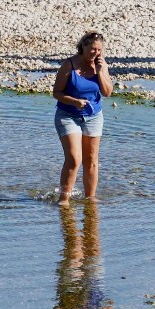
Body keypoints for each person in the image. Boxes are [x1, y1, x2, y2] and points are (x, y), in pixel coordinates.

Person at [52, 30, 111, 200]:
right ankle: (64, 200)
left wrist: (100, 72)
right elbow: (57, 93)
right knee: (74, 159)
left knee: (91, 160)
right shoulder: (69, 65)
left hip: (93, 117)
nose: (96, 53)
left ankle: (90, 199)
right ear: (83, 47)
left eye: (99, 50)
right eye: (92, 49)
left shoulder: (101, 65)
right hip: (67, 115)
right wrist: (74, 101)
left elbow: (107, 93)